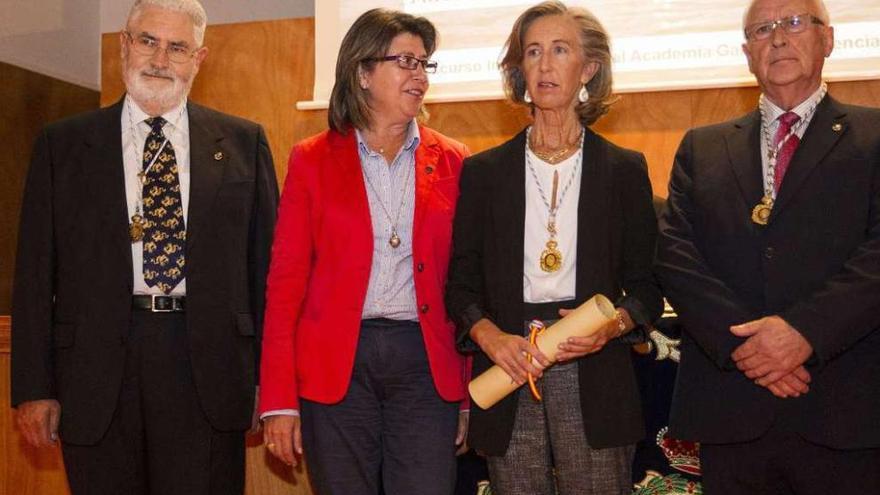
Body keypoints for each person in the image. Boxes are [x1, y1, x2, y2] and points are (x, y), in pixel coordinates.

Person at [10, 1, 279, 493]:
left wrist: (272, 380)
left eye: (177, 47)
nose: (160, 58)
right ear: (123, 46)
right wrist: (33, 388)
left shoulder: (244, 142)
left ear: (198, 59)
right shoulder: (63, 145)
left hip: (208, 368)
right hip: (94, 370)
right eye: (148, 41)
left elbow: (265, 272)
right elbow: (33, 275)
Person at [655, 0, 880, 492]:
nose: (778, 38)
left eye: (795, 23)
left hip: (844, 407)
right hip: (732, 408)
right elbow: (675, 253)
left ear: (829, 39)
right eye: (762, 29)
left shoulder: (875, 134)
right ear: (746, 51)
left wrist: (804, 333)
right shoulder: (702, 146)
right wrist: (748, 349)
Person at [445, 2, 662, 494]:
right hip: (510, 363)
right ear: (519, 71)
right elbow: (459, 284)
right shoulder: (484, 173)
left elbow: (648, 285)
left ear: (587, 69)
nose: (544, 65)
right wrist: (490, 338)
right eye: (533, 52)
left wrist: (613, 326)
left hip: (593, 366)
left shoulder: (623, 170)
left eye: (560, 50)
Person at [258, 8, 470, 495]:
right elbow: (285, 284)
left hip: (425, 363)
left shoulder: (455, 160)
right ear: (363, 72)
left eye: (424, 64)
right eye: (405, 61)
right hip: (336, 365)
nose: (419, 75)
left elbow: (465, 283)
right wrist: (280, 400)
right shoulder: (311, 159)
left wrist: (464, 394)